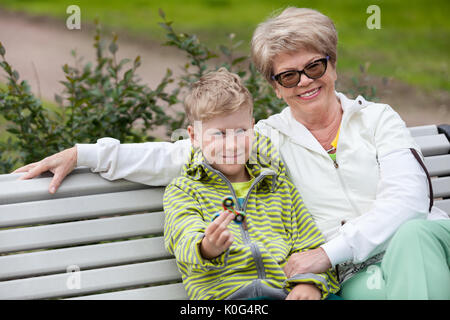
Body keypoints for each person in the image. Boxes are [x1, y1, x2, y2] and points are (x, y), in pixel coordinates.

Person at [13, 7, 450, 299]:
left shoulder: (377, 120)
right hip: (356, 274)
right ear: (274, 87)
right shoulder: (265, 139)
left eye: (314, 66)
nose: (304, 82)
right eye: (287, 75)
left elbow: (409, 204)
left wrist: (326, 255)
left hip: (419, 249)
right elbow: (177, 155)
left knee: (413, 237)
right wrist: (85, 153)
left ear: (332, 64)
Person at [163, 67, 339, 300]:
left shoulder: (277, 185)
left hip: (286, 292)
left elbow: (309, 244)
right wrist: (207, 247)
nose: (233, 144)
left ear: (253, 127)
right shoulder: (185, 190)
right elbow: (182, 238)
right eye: (219, 134)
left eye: (241, 131)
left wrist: (311, 284)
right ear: (194, 136)